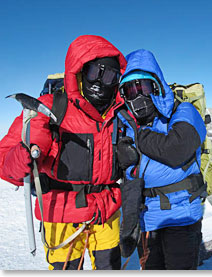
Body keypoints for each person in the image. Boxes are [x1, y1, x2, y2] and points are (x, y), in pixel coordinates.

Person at [0, 35, 127, 270]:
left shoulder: (118, 114)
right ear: (79, 71)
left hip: (106, 211)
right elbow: (5, 161)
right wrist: (21, 157)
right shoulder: (49, 108)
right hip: (61, 213)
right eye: (93, 72)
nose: (100, 81)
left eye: (109, 75)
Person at [116, 49, 207, 270]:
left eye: (143, 87)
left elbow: (176, 150)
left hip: (181, 217)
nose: (138, 95)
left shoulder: (184, 111)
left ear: (156, 86)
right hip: (148, 219)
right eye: (130, 90)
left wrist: (138, 137)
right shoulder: (127, 125)